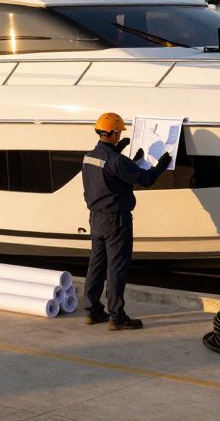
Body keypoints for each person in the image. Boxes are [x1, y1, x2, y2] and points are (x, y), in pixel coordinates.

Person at [81, 112, 172, 330]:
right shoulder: (117, 161)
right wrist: (162, 164)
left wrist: (129, 158)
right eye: (119, 133)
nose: (120, 135)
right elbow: (146, 179)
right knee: (117, 268)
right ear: (112, 134)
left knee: (96, 265)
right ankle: (117, 317)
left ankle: (92, 311)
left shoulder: (88, 156)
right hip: (116, 221)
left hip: (96, 218)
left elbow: (110, 173)